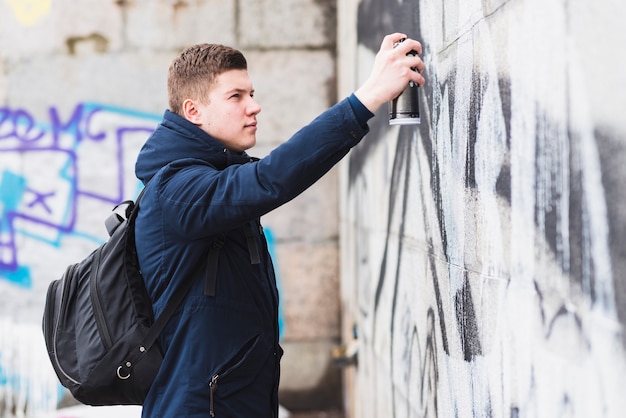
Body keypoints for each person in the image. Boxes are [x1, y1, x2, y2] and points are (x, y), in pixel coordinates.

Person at [134, 33, 425, 417]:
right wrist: (367, 97)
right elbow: (272, 179)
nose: (254, 107)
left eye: (251, 93)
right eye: (236, 97)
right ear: (194, 111)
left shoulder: (211, 174)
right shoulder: (176, 191)